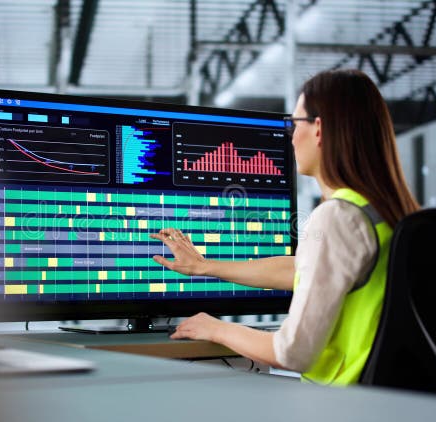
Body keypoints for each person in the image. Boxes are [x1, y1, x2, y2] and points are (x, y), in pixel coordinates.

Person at [149, 69, 419, 386]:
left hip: (344, 404)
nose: (290, 136)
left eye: (294, 123)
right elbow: (308, 269)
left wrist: (216, 328)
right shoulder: (386, 212)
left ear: (318, 129)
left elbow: (293, 352)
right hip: (394, 402)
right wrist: (205, 266)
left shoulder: (338, 216)